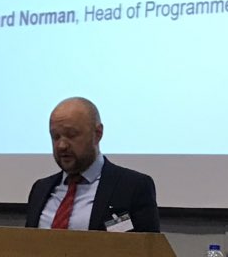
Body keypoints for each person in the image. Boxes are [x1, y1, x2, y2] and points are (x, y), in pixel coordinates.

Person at [25, 97, 160, 232]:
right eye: (55, 136)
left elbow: (147, 244)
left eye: (71, 135)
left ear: (98, 133)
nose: (61, 145)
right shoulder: (40, 189)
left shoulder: (133, 187)